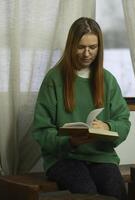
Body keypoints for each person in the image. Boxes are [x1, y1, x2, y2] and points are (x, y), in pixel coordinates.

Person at [32, 17, 130, 200]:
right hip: (63, 159)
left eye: (92, 47)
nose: (87, 53)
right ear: (71, 45)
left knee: (116, 191)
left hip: (101, 156)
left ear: (99, 48)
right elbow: (41, 130)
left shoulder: (107, 80)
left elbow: (123, 120)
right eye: (81, 47)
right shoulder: (54, 80)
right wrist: (70, 142)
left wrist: (108, 127)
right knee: (87, 192)